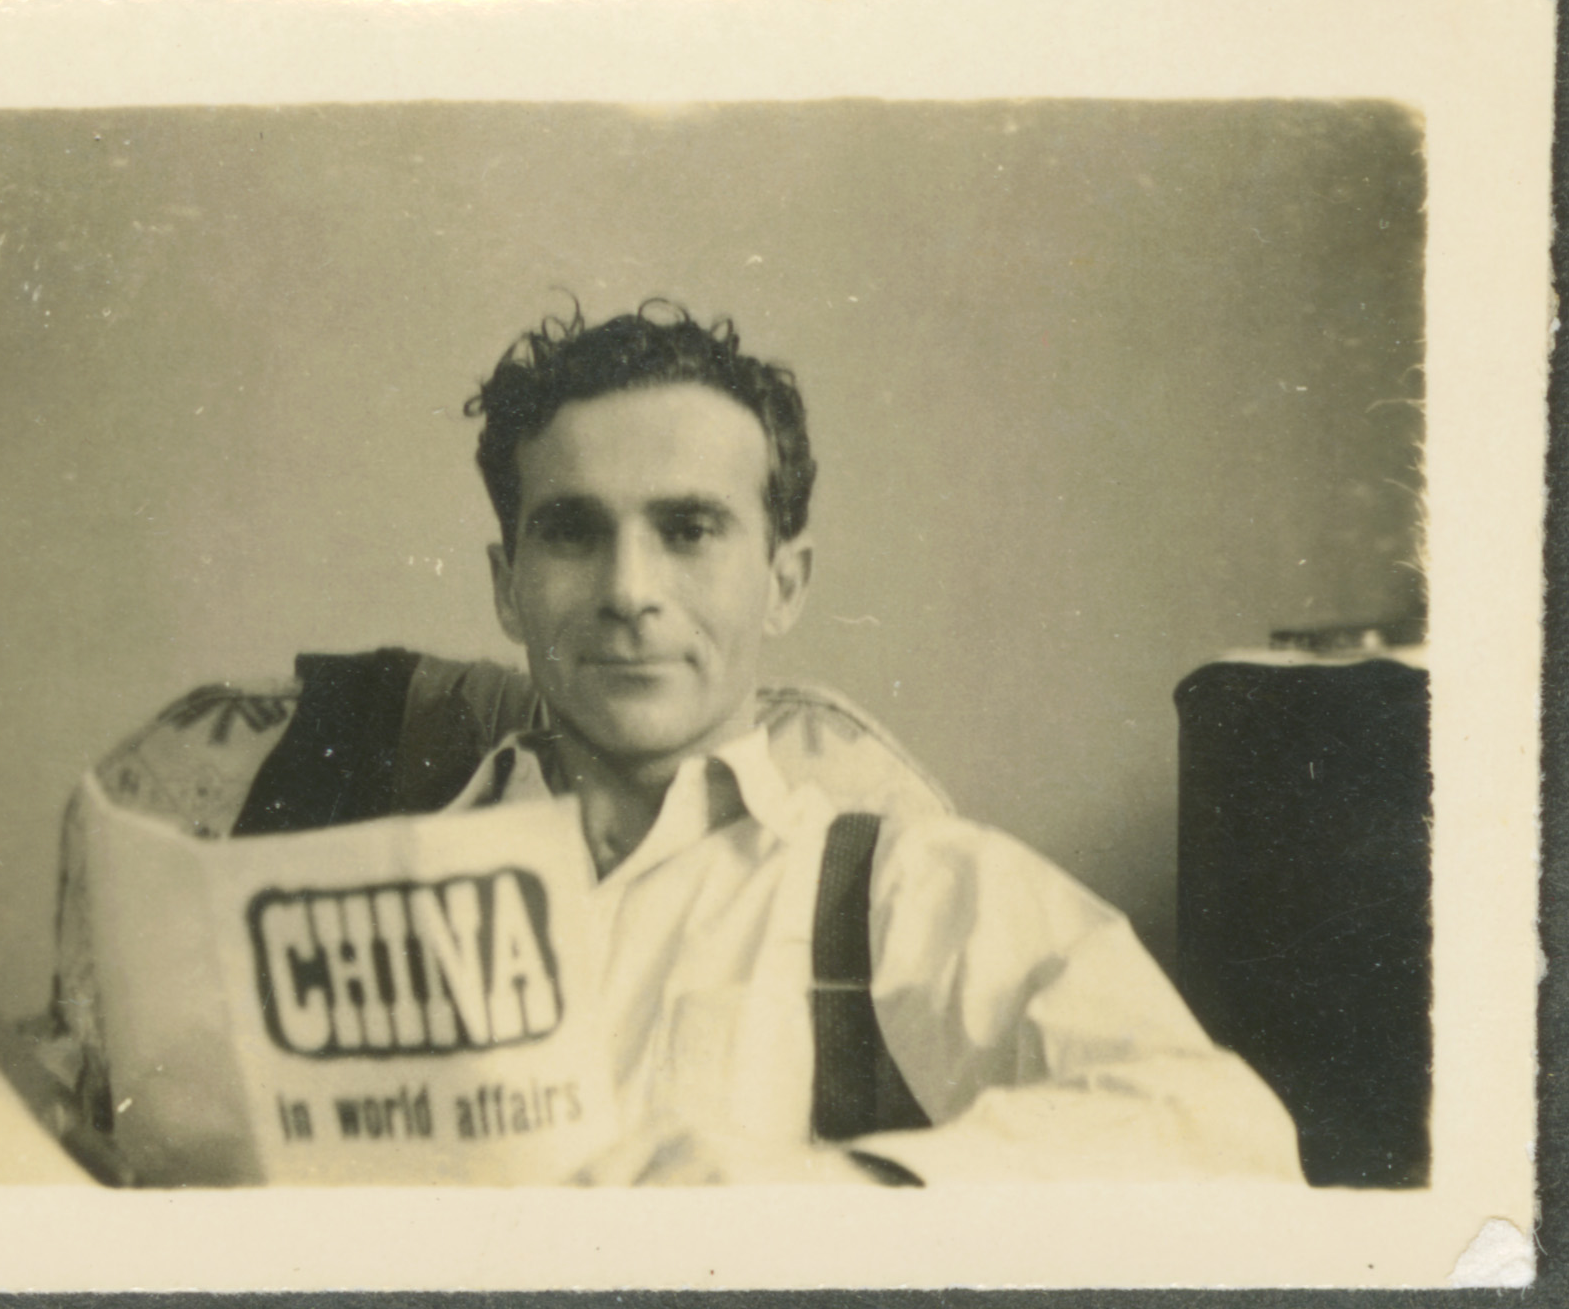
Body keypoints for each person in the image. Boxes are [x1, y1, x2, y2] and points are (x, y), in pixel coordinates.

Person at [440, 301, 1305, 1185]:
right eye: (572, 532)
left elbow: (1225, 1133)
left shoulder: (898, 887)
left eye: (688, 531)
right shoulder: (386, 897)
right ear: (507, 587)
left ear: (784, 584)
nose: (629, 590)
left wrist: (839, 1187)